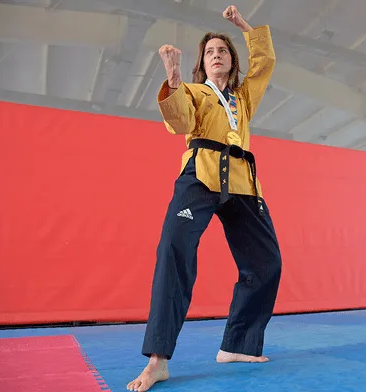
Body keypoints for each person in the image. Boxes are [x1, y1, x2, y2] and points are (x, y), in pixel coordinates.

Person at [127, 5, 282, 392]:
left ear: (231, 62)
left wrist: (243, 27)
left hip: (243, 182)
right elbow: (177, 122)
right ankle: (158, 360)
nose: (217, 54)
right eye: (210, 51)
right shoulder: (194, 92)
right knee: (173, 252)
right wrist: (173, 77)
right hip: (200, 175)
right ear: (202, 63)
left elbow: (264, 63)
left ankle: (238, 345)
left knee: (267, 264)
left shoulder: (243, 98)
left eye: (224, 51)